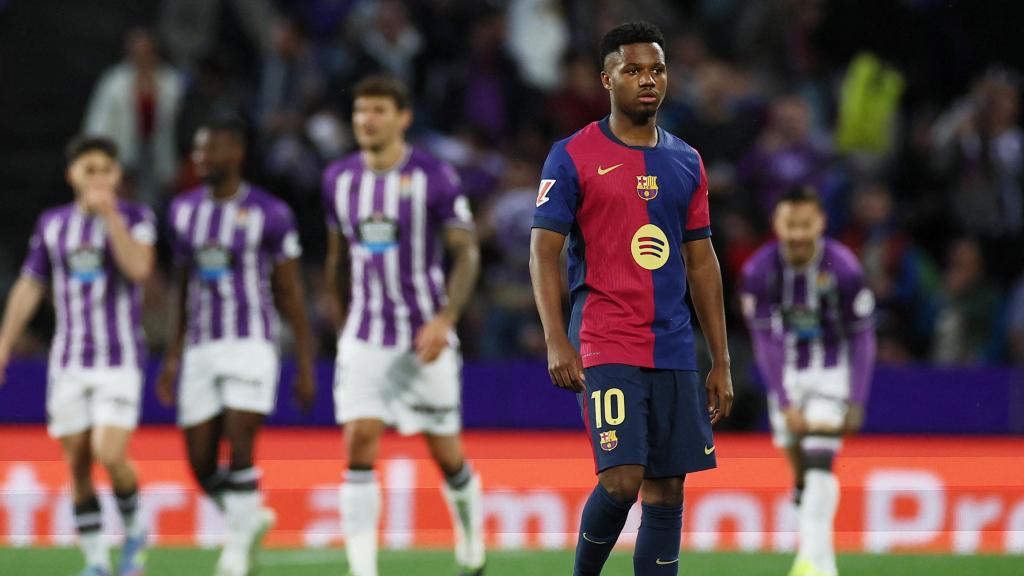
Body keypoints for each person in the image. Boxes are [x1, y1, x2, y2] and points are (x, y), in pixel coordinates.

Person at [529, 21, 734, 575]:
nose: (648, 80)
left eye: (657, 69)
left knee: (667, 491)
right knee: (622, 482)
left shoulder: (686, 160)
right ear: (607, 79)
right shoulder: (572, 155)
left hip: (671, 344)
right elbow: (543, 253)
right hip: (604, 338)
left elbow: (701, 261)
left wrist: (720, 358)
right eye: (634, 70)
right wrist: (555, 339)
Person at [322, 75, 485, 576]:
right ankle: (363, 569)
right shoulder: (338, 179)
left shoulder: (435, 177)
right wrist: (340, 319)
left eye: (377, 110)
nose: (366, 120)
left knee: (446, 453)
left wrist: (446, 318)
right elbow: (336, 260)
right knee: (359, 438)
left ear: (402, 117)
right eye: (359, 111)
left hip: (424, 336)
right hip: (365, 335)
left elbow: (467, 252)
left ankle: (472, 541)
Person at [156, 115, 316, 576]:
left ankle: (236, 555)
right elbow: (182, 288)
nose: (203, 158)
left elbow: (290, 291)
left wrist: (305, 363)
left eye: (212, 150)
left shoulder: (270, 212)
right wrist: (172, 355)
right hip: (202, 347)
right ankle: (249, 520)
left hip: (251, 341)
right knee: (200, 462)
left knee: (240, 437)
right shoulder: (183, 210)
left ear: (237, 153)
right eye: (199, 151)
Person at [0, 136, 156, 576]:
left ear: (117, 175)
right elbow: (30, 285)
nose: (99, 178)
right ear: (73, 176)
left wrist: (109, 217)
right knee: (78, 461)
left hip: (119, 360)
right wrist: (4, 345)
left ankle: (135, 531)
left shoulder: (135, 218)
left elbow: (140, 269)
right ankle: (95, 560)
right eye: (90, 170)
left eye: (106, 169)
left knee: (110, 452)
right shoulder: (52, 225)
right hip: (69, 362)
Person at [740, 186, 877, 576]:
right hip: (784, 375)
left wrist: (856, 399)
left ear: (820, 223)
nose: (798, 234)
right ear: (777, 225)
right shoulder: (759, 271)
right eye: (790, 224)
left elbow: (863, 337)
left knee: (820, 460)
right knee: (801, 471)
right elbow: (764, 340)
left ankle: (816, 565)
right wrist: (783, 401)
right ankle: (803, 502)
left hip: (832, 373)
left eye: (806, 225)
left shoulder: (844, 267)